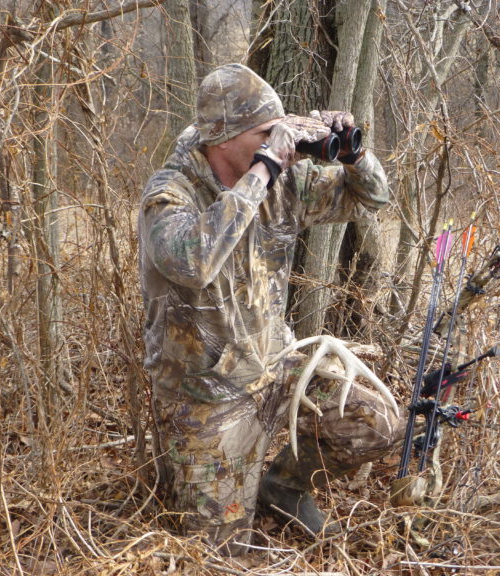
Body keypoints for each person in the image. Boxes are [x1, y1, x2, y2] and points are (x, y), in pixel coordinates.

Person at [138, 63, 401, 554]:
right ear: (222, 138)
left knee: (375, 422)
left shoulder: (284, 183)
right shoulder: (169, 195)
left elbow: (373, 198)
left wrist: (353, 153)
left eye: (278, 132)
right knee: (219, 552)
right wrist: (263, 170)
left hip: (274, 367)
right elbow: (193, 263)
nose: (278, 144)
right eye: (264, 135)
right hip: (207, 395)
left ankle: (284, 486)